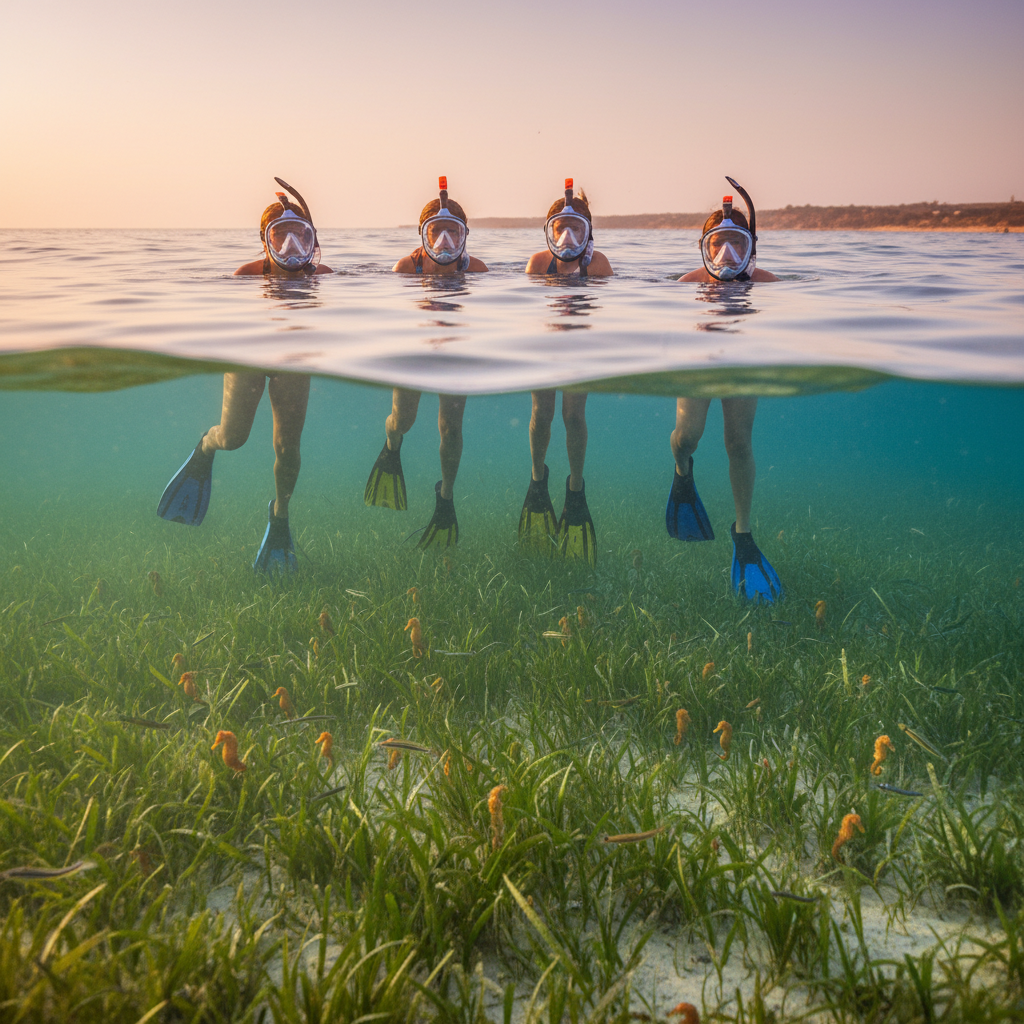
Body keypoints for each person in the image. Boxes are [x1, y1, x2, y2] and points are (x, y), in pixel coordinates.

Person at [156, 178, 332, 573]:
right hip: (249, 358)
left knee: (288, 448)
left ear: (312, 241)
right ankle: (206, 447)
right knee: (233, 438)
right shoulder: (245, 277)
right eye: (280, 237)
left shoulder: (322, 277)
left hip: (293, 362)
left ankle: (281, 516)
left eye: (299, 237)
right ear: (265, 242)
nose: (290, 248)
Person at [668, 176, 783, 602]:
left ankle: (744, 535)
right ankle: (682, 472)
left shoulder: (766, 283)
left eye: (736, 242)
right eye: (717, 243)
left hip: (741, 363)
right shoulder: (689, 283)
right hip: (699, 365)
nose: (726, 253)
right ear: (705, 246)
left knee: (738, 442)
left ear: (751, 248)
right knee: (688, 437)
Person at [364, 177, 487, 548]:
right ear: (423, 236)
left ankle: (446, 496)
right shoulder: (406, 268)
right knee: (405, 419)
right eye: (437, 232)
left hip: (455, 353)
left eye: (454, 232)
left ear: (465, 236)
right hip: (415, 352)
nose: (445, 242)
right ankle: (391, 443)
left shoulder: (476, 270)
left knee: (451, 429)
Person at [518, 180, 613, 566]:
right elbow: (527, 308)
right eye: (560, 227)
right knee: (542, 412)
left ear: (589, 233)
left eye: (577, 227)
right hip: (546, 347)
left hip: (580, 348)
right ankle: (538, 480)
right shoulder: (539, 263)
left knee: (574, 415)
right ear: (550, 230)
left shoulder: (599, 264)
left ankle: (576, 487)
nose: (568, 235)